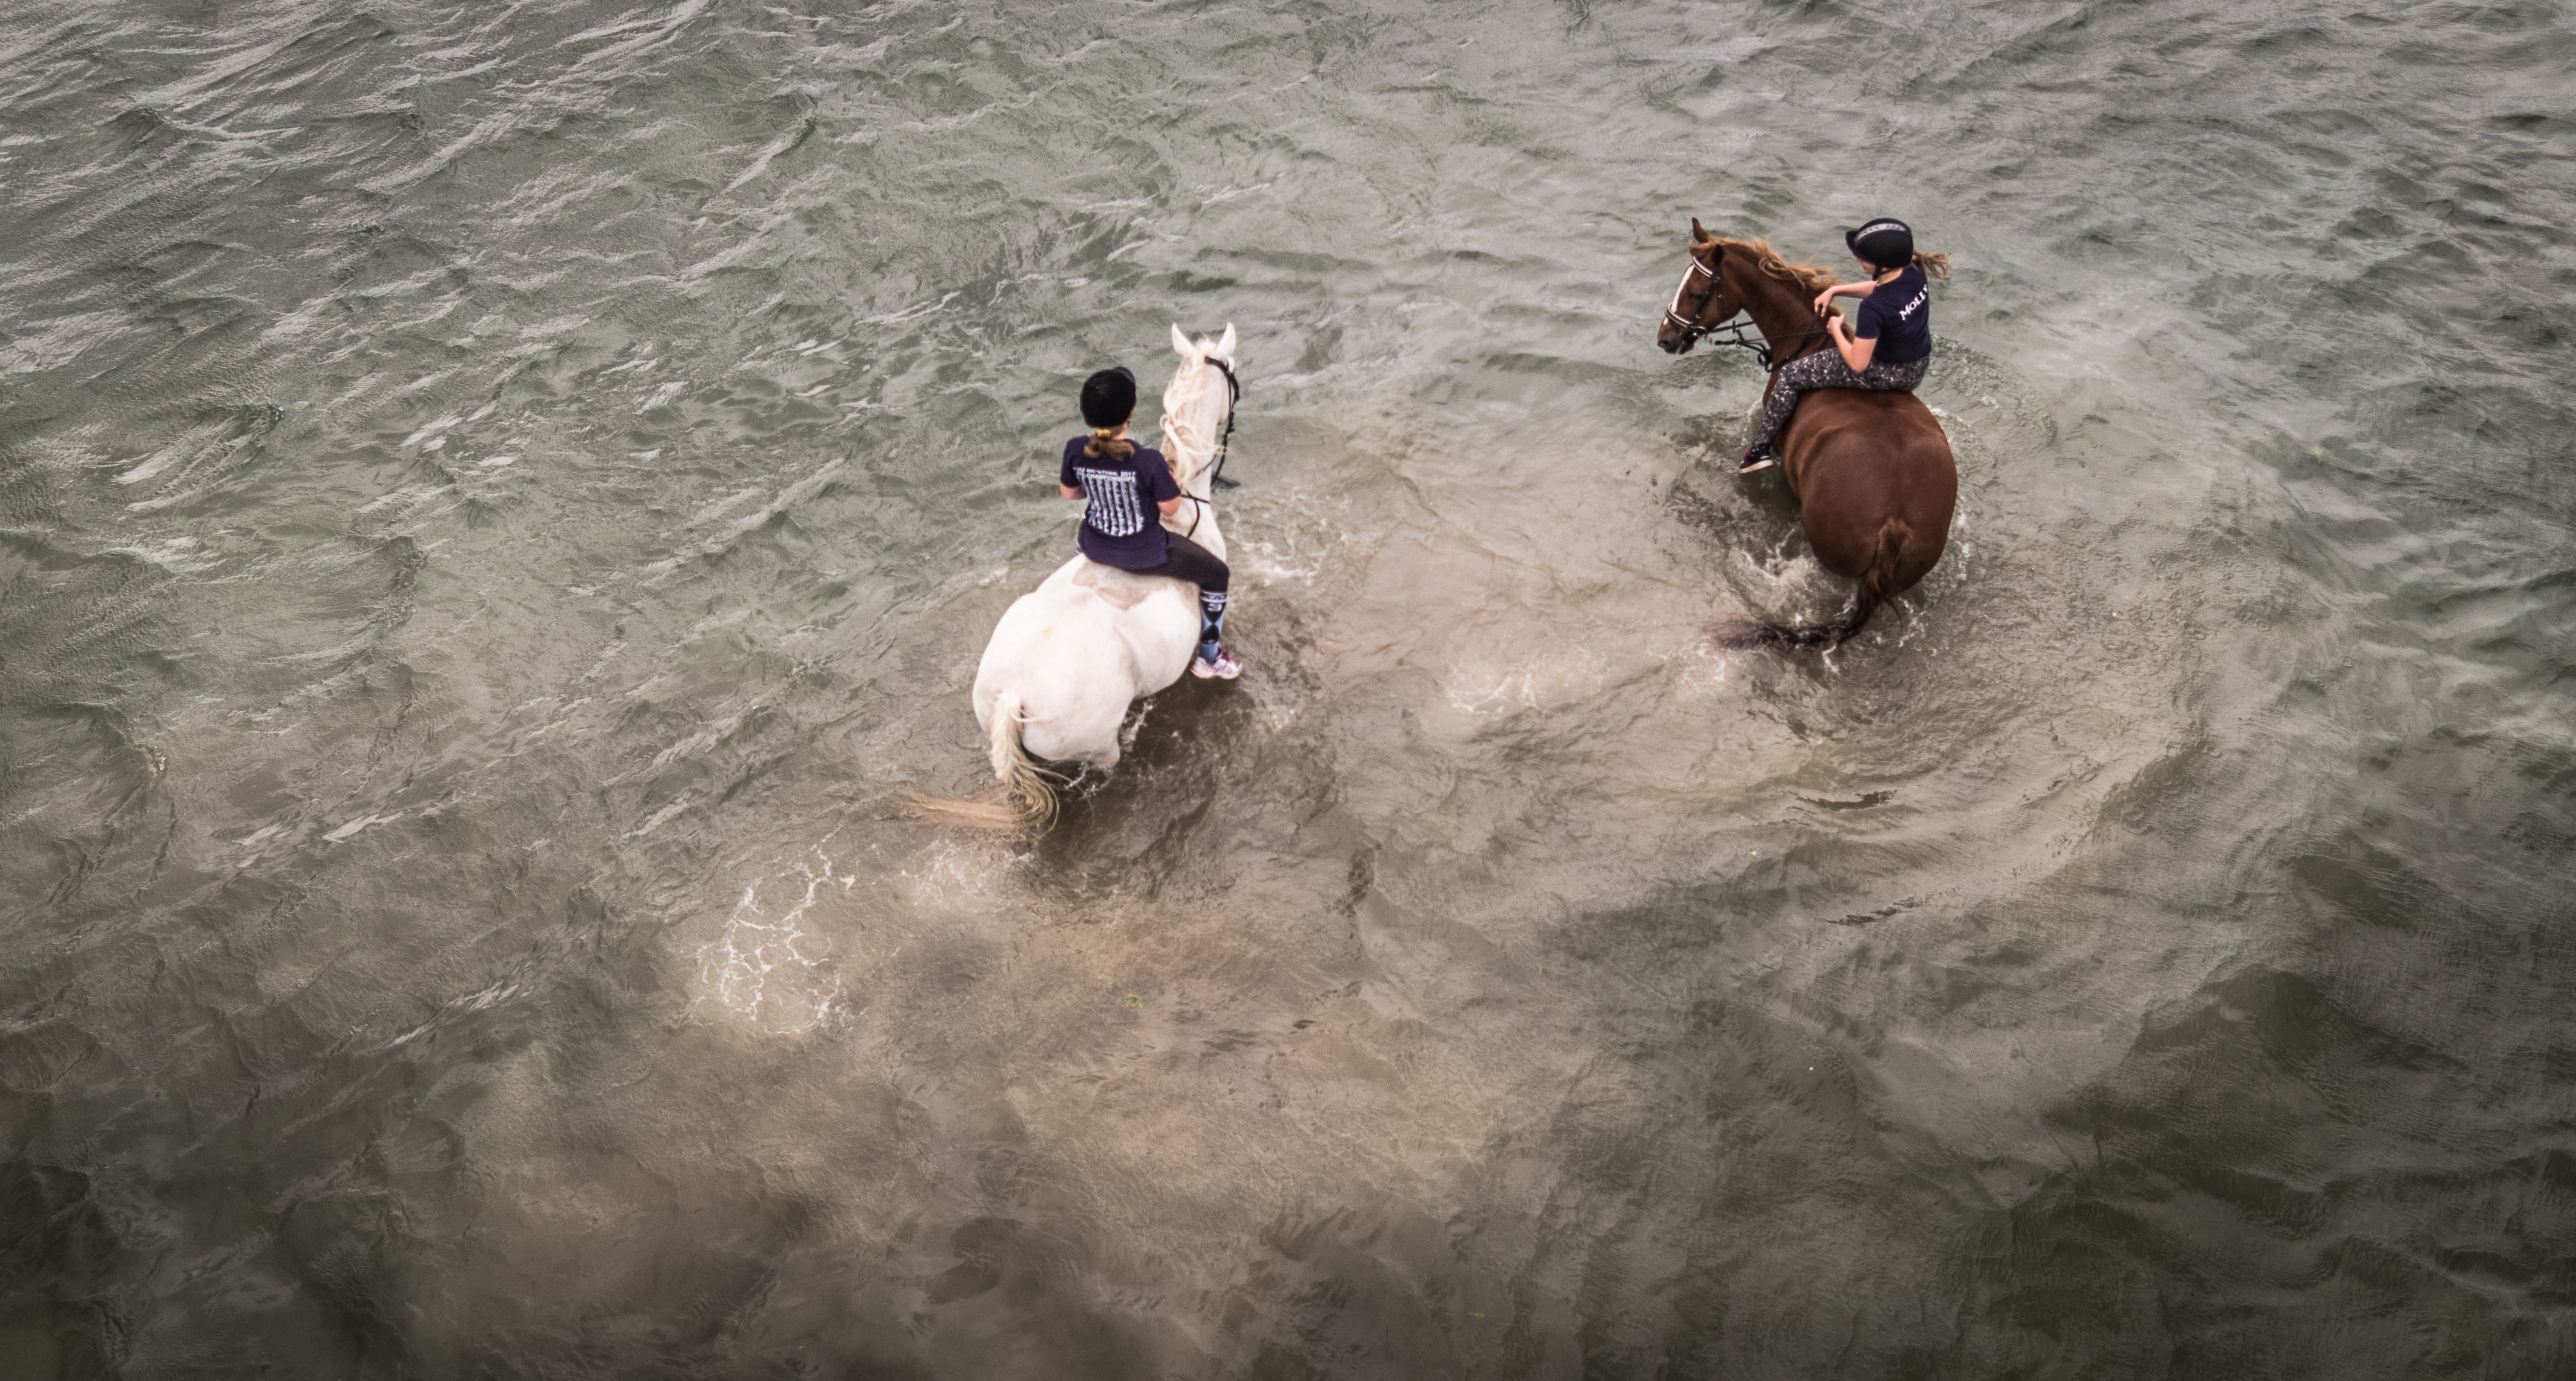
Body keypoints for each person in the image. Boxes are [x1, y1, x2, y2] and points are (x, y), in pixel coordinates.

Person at [1060, 366, 1241, 679]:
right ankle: (1210, 656)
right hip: (1144, 552)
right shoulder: (1147, 461)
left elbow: (1070, 493)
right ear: (1132, 411)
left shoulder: (1075, 449)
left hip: (1093, 542)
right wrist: (1164, 480)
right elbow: (1170, 509)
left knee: (1081, 546)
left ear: (1087, 415)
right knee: (1217, 573)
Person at [1740, 217, 1950, 473]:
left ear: (1883, 265)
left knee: (1790, 375)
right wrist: (1836, 291)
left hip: (1886, 372)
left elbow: (1858, 364)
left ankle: (1758, 452)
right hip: (1917, 366)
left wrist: (1835, 330)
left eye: (1863, 257)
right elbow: (1880, 288)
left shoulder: (1874, 309)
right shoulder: (1913, 274)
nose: (1857, 259)